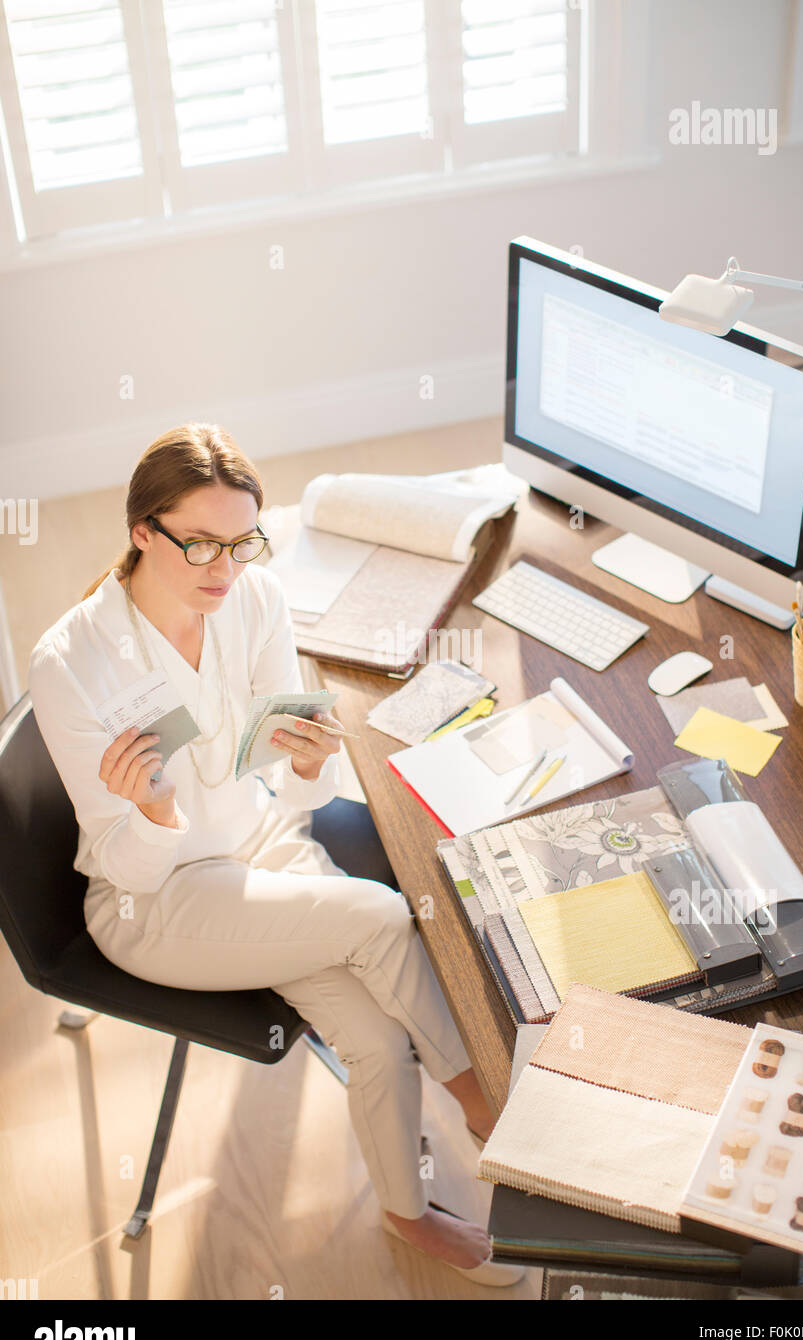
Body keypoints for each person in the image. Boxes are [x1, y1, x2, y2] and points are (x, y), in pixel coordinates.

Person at [27, 423, 524, 1289]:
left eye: (243, 541)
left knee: (372, 1036)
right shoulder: (72, 661)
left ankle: (407, 1214)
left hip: (259, 846)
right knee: (381, 914)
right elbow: (127, 865)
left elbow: (289, 794)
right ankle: (487, 1101)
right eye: (201, 544)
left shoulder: (252, 599)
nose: (224, 567)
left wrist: (304, 760)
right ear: (142, 530)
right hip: (156, 901)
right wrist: (154, 811)